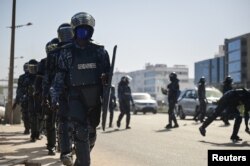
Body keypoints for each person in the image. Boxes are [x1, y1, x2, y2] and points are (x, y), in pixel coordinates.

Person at [50, 12, 110, 166]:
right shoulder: (66, 52)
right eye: (80, 30)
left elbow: (107, 79)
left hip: (94, 98)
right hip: (75, 97)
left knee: (91, 134)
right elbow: (59, 78)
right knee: (81, 132)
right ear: (74, 31)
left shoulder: (100, 51)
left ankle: (80, 161)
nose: (84, 34)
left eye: (87, 30)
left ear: (91, 31)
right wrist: (54, 97)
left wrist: (106, 84)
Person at [27, 59, 43, 142]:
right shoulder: (27, 77)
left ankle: (39, 133)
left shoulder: (40, 76)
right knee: (32, 117)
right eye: (31, 67)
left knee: (40, 116)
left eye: (34, 67)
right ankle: (33, 135)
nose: (32, 69)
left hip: (40, 99)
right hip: (30, 99)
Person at [13, 63, 30, 134]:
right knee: (26, 114)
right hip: (26, 99)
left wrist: (17, 100)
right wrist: (17, 100)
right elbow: (19, 89)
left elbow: (19, 90)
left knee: (27, 114)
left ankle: (29, 129)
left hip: (31, 98)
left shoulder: (34, 76)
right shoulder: (22, 77)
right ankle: (28, 129)